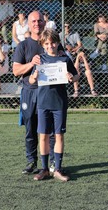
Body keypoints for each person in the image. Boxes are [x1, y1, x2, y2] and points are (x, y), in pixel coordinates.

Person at [29, 29, 79, 181]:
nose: (50, 46)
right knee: (43, 136)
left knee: (59, 135)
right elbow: (31, 81)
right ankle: (44, 169)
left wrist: (71, 77)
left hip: (59, 103)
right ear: (43, 45)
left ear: (58, 43)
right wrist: (34, 76)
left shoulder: (64, 59)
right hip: (43, 102)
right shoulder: (39, 60)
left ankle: (57, 168)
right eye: (47, 44)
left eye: (53, 43)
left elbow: (76, 75)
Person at [12, 11, 56, 174]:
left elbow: (63, 62)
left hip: (49, 92)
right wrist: (31, 63)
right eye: (33, 21)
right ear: (28, 24)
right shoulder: (23, 46)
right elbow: (16, 71)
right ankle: (31, 161)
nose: (37, 23)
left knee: (50, 129)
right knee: (30, 128)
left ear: (45, 23)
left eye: (39, 21)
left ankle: (53, 162)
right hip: (29, 92)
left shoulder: (51, 42)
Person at [59, 22, 98, 97]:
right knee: (68, 55)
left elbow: (79, 45)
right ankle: (77, 90)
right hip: (67, 53)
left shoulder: (75, 34)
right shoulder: (60, 35)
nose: (67, 28)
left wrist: (74, 50)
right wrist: (67, 47)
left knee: (87, 71)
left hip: (75, 51)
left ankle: (92, 90)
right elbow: (60, 46)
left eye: (68, 26)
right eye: (65, 26)